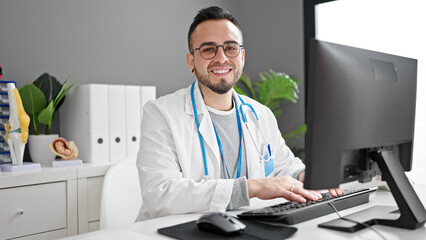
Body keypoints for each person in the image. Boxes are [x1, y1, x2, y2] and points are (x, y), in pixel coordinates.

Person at [136, 6, 342, 221]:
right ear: (191, 62)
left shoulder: (260, 114)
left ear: (242, 57)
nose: (221, 58)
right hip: (175, 230)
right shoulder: (161, 113)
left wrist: (305, 176)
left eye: (230, 48)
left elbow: (284, 164)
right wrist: (251, 187)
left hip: (243, 225)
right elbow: (160, 195)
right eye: (208, 49)